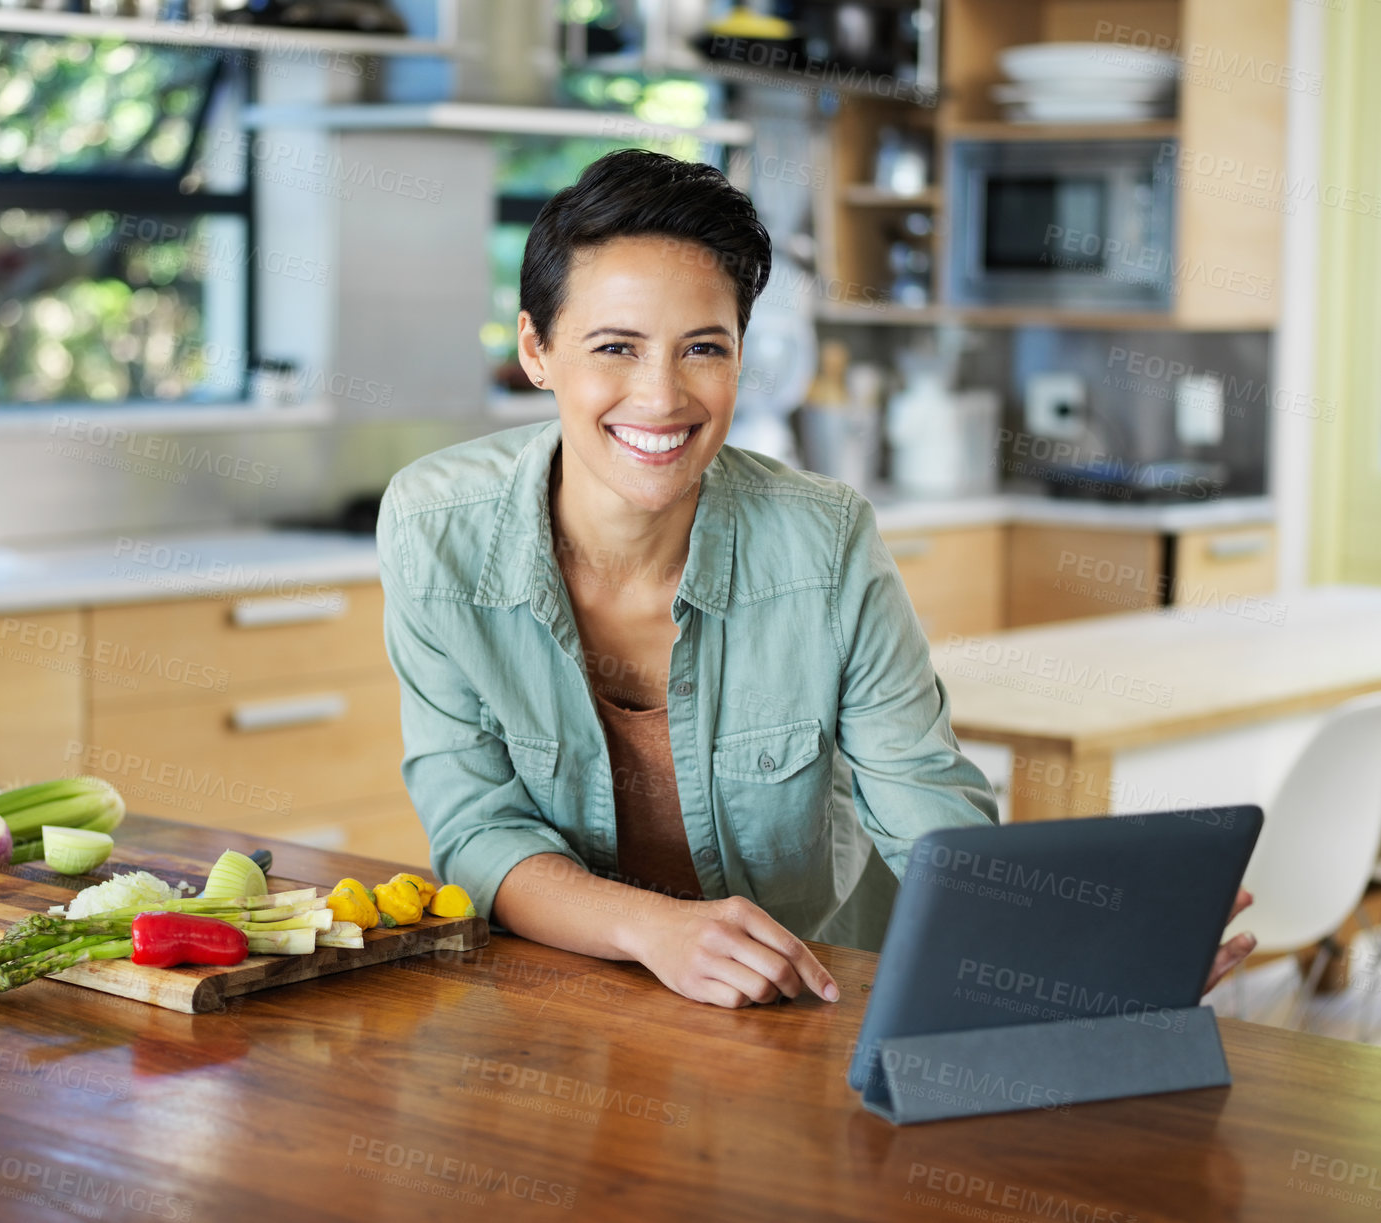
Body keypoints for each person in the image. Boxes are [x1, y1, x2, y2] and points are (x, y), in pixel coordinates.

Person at [376, 148, 1256, 1008]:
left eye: (703, 349)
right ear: (535, 348)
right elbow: (476, 828)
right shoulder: (435, 531)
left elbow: (925, 809)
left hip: (809, 997)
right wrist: (653, 928)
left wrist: (1071, 946)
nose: (661, 396)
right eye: (614, 346)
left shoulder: (823, 540)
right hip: (568, 1003)